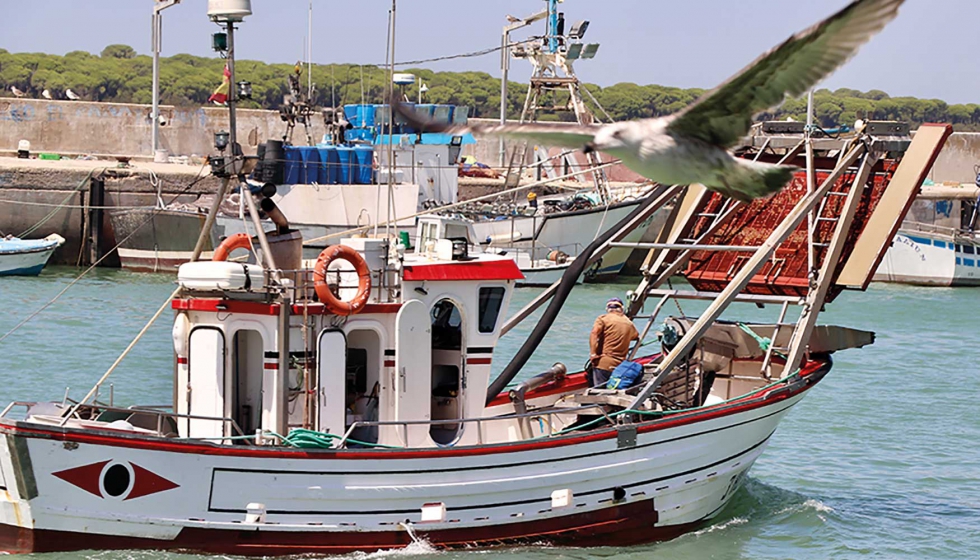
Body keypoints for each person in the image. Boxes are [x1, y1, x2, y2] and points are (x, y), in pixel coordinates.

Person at [589, 297, 639, 388]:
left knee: (599, 392)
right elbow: (635, 336)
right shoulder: (629, 323)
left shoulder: (603, 319)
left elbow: (594, 333)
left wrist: (593, 354)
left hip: (603, 363)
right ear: (621, 309)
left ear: (608, 309)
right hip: (619, 366)